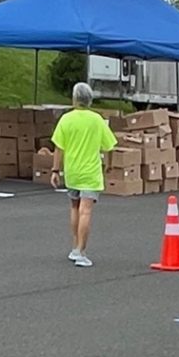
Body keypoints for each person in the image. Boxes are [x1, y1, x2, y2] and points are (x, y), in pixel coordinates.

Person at [49, 81, 116, 268]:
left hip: (73, 171)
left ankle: (74, 246)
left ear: (74, 98)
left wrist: (55, 170)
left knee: (74, 208)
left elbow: (58, 147)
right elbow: (110, 145)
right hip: (90, 172)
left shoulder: (66, 119)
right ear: (90, 99)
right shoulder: (97, 120)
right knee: (86, 210)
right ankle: (81, 250)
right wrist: (108, 165)